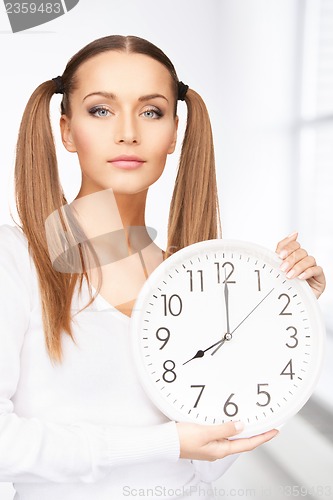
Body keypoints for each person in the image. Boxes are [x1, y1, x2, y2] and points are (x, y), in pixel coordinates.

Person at [0, 35, 326, 500]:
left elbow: (207, 461)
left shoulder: (191, 276)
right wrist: (162, 444)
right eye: (101, 110)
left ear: (174, 131)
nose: (128, 132)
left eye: (151, 111)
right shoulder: (16, 258)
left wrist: (291, 315)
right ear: (67, 130)